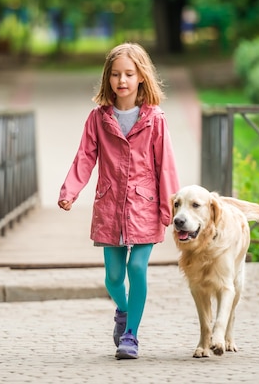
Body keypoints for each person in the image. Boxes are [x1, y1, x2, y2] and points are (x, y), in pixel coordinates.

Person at [57, 42, 180, 359]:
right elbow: (84, 158)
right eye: (115, 74)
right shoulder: (98, 119)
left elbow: (165, 164)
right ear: (107, 78)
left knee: (137, 267)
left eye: (128, 73)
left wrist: (171, 209)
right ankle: (123, 310)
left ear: (141, 77)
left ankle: (131, 336)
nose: (121, 80)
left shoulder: (155, 119)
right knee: (113, 277)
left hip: (145, 205)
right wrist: (70, 191)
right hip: (110, 207)